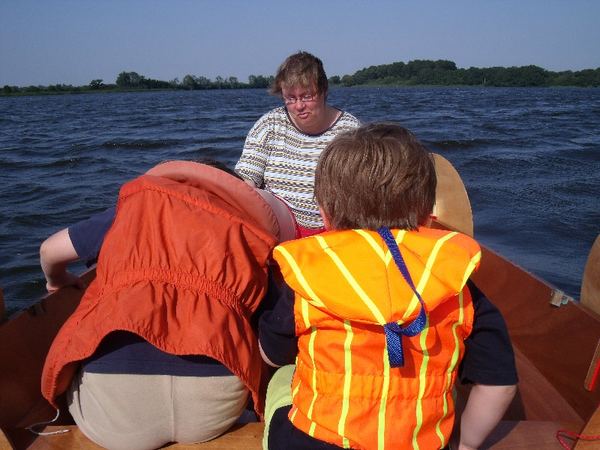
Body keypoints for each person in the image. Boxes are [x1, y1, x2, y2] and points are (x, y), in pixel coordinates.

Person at [258, 123, 518, 450]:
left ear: (325, 214)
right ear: (427, 213)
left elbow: (270, 355)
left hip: (314, 442)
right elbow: (500, 385)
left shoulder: (305, 278)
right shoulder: (458, 285)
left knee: (282, 379)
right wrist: (464, 445)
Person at [38, 160, 297, 450]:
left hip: (114, 420)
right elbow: (269, 343)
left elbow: (50, 250)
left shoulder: (132, 208)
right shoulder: (247, 230)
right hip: (212, 412)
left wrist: (56, 281)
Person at [235, 51, 360, 237]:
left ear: (324, 91)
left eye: (307, 96)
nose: (299, 106)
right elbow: (246, 181)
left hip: (332, 228)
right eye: (291, 98)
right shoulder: (270, 125)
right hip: (279, 226)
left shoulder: (350, 131)